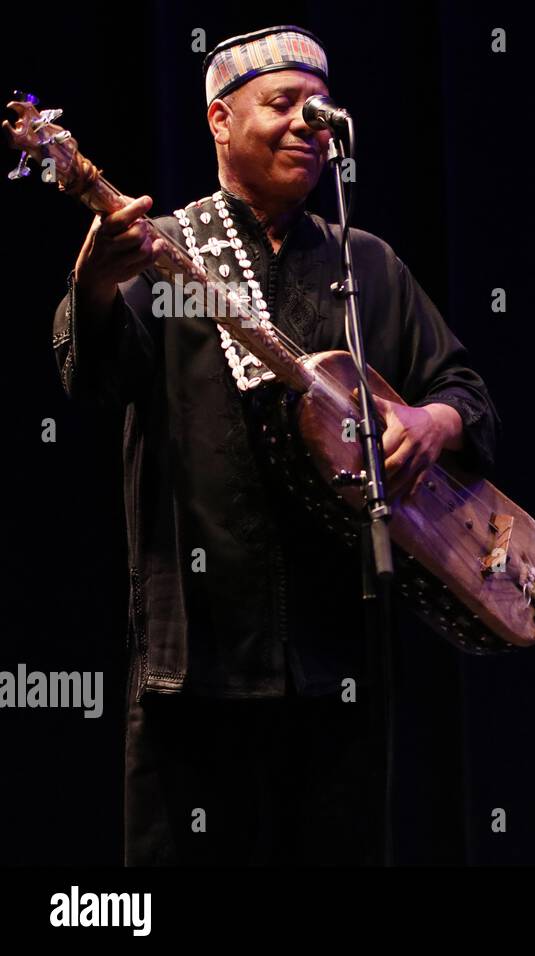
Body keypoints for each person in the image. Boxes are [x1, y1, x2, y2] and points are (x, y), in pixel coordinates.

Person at [52, 25, 498, 864]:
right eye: (282, 104)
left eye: (320, 109)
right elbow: (92, 378)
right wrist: (97, 283)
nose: (309, 124)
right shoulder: (161, 251)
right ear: (220, 121)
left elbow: (466, 394)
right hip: (199, 658)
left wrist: (433, 423)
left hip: (343, 652)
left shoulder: (367, 265)